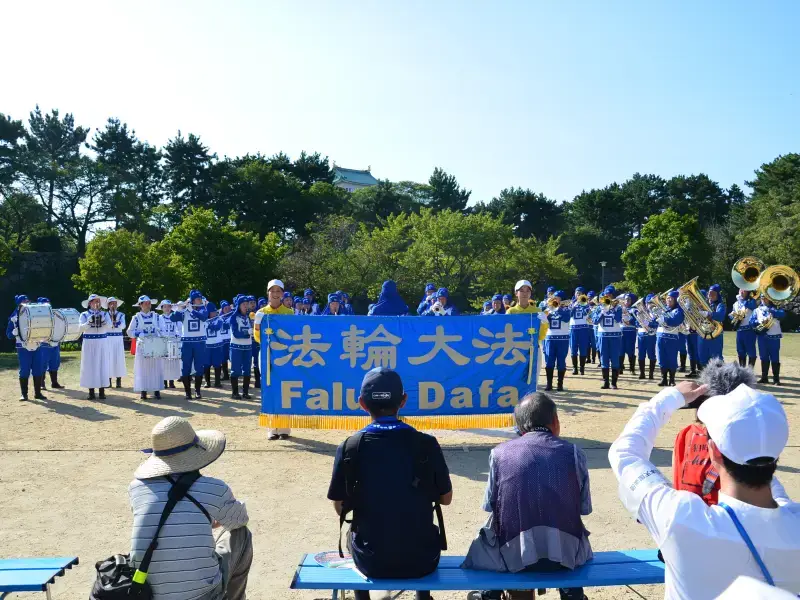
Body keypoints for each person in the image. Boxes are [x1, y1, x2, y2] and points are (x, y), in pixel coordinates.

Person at [609, 380, 800, 598]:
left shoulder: (680, 518)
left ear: (715, 452)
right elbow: (776, 494)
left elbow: (624, 453)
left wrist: (669, 398)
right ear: (778, 452)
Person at [327, 368, 452, 600]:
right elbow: (445, 499)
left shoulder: (350, 447)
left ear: (362, 404)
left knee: (353, 536)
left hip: (371, 560)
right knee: (419, 530)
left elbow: (340, 507)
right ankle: (423, 597)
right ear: (403, 400)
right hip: (422, 559)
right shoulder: (427, 444)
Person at [464, 392, 591, 600]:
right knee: (567, 530)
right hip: (566, 557)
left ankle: (490, 594)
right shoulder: (574, 453)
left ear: (519, 427)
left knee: (491, 530)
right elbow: (584, 508)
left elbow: (490, 505)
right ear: (556, 421)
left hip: (513, 558)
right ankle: (572, 594)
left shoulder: (499, 454)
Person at [130, 416, 252, 600]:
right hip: (202, 595)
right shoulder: (214, 488)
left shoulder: (136, 487)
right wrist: (211, 519)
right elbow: (240, 519)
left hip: (145, 593)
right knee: (241, 534)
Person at [672, 358, 756, 506]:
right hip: (730, 520)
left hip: (688, 516)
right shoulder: (750, 437)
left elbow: (677, 481)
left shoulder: (686, 434)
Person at [253, 280, 295, 440]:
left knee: (285, 389)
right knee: (270, 389)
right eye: (272, 291)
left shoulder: (289, 313)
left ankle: (284, 428)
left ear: (283, 294)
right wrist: (259, 327)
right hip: (267, 354)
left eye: (278, 291)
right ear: (268, 293)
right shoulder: (261, 312)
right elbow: (257, 337)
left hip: (285, 356)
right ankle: (272, 427)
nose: (275, 294)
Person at [170, 290, 208, 400]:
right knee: (185, 367)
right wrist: (181, 308)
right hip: (186, 343)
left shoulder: (203, 310)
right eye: (197, 299)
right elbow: (172, 318)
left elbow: (204, 318)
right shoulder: (184, 312)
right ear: (192, 300)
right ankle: (187, 392)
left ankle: (198, 391)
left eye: (200, 299)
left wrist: (192, 310)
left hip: (200, 342)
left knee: (199, 367)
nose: (200, 301)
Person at [7, 294, 46, 401]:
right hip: (22, 347)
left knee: (38, 369)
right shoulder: (13, 316)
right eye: (24, 301)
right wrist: (13, 332)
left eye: (27, 301)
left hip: (37, 345)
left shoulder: (35, 313)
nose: (26, 303)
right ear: (19, 304)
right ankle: (24, 394)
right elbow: (8, 334)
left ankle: (38, 393)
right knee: (24, 370)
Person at [127, 295, 165, 400]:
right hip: (142, 345)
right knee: (142, 368)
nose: (148, 305)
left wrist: (159, 333)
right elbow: (129, 332)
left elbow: (163, 329)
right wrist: (139, 333)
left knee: (156, 367)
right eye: (146, 303)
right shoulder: (136, 317)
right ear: (140, 305)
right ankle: (143, 391)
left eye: (149, 303)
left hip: (155, 344)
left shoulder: (157, 316)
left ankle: (156, 390)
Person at [79, 293, 112, 400]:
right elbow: (80, 328)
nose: (97, 303)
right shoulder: (84, 314)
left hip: (101, 341)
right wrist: (89, 321)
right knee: (90, 366)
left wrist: (103, 320)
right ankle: (91, 392)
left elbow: (110, 326)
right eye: (94, 301)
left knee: (102, 364)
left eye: (98, 301)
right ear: (90, 303)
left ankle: (102, 391)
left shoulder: (105, 314)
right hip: (89, 342)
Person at [540, 291, 571, 391]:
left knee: (561, 361)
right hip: (550, 338)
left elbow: (566, 319)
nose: (555, 299)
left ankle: (560, 384)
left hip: (562, 338)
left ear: (562, 299)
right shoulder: (549, 309)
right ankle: (549, 384)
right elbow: (541, 318)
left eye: (557, 298)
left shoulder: (566, 309)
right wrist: (546, 307)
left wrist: (558, 308)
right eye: (554, 298)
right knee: (549, 361)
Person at [751, 296, 785, 385]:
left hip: (774, 336)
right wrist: (757, 323)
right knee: (763, 356)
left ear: (769, 298)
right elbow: (752, 321)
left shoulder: (775, 308)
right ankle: (764, 377)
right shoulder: (757, 310)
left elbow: (782, 314)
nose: (763, 299)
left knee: (774, 357)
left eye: (765, 297)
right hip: (762, 336)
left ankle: (776, 379)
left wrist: (771, 311)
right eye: (762, 297)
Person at [656, 290, 685, 387]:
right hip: (660, 336)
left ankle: (672, 379)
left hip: (671, 337)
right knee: (661, 358)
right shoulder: (663, 309)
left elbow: (675, 321)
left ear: (676, 300)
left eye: (670, 298)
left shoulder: (678, 311)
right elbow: (654, 321)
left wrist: (664, 319)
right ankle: (663, 378)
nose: (668, 300)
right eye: (667, 298)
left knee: (672, 358)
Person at [596, 286, 622, 390]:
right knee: (604, 358)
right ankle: (606, 382)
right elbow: (595, 321)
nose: (608, 297)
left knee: (615, 359)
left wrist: (612, 308)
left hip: (615, 335)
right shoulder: (600, 307)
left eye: (610, 295)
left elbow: (618, 319)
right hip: (603, 335)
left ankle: (614, 383)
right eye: (606, 295)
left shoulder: (618, 308)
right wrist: (602, 311)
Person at [228, 295, 254, 401]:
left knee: (247, 370)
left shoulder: (250, 317)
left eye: (247, 304)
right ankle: (235, 393)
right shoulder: (234, 317)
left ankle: (245, 392)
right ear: (238, 306)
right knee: (235, 370)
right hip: (236, 347)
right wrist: (247, 332)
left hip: (248, 347)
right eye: (243, 304)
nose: (246, 306)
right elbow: (236, 333)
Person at [35, 297, 64, 391]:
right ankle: (41, 383)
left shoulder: (55, 315)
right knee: (42, 364)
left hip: (55, 343)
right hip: (43, 344)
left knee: (55, 363)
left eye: (48, 303)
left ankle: (54, 383)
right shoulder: (37, 316)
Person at [698, 284, 726, 368]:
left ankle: (719, 378)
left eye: (713, 293)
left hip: (715, 335)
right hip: (703, 334)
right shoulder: (702, 304)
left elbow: (720, 316)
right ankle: (705, 378)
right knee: (702, 358)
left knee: (717, 358)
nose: (710, 295)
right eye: (709, 293)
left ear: (718, 295)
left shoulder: (720, 305)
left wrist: (708, 314)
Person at [102, 296, 127, 389]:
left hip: (117, 338)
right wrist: (110, 323)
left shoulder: (121, 314)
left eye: (115, 303)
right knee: (108, 359)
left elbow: (123, 326)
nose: (113, 305)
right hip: (108, 338)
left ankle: (118, 380)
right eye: (111, 303)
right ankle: (108, 380)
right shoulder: (104, 315)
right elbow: (104, 326)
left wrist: (116, 323)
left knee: (118, 358)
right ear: (108, 305)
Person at [730, 289, 758, 368]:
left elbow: (753, 306)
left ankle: (750, 371)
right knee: (740, 351)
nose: (742, 292)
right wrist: (732, 316)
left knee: (750, 350)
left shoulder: (751, 301)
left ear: (748, 292)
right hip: (739, 330)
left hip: (749, 330)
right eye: (740, 290)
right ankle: (742, 370)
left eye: (744, 291)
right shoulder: (735, 303)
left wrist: (745, 300)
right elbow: (733, 313)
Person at [157, 300, 181, 389]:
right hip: (163, 342)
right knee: (163, 362)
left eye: (169, 306)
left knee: (172, 361)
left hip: (173, 341)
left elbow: (179, 328)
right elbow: (157, 329)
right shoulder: (159, 318)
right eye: (165, 306)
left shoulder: (175, 317)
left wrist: (178, 336)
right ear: (162, 308)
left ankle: (171, 381)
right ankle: (164, 381)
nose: (167, 308)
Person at [568, 288, 592, 375]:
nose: (578, 295)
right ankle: (575, 368)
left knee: (583, 348)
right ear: (575, 294)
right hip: (573, 328)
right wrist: (574, 305)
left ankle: (582, 368)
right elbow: (569, 315)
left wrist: (583, 305)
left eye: (580, 293)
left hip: (583, 328)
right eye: (577, 293)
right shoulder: (571, 303)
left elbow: (587, 314)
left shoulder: (586, 304)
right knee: (573, 348)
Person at [636, 294, 658, 380]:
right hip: (641, 334)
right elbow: (637, 324)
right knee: (641, 354)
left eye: (651, 303)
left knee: (651, 354)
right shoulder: (641, 312)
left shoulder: (655, 313)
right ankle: (642, 373)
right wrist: (639, 319)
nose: (649, 305)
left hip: (651, 335)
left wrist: (649, 323)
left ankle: (651, 374)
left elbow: (657, 324)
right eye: (648, 303)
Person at [203, 302, 225, 389]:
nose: (215, 313)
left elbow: (217, 327)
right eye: (213, 312)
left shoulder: (219, 319)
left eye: (215, 311)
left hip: (217, 345)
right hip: (207, 346)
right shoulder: (204, 320)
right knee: (206, 364)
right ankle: (207, 382)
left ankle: (217, 382)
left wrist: (208, 324)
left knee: (217, 364)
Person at [619, 293, 639, 375]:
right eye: (625, 299)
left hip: (631, 331)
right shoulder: (620, 309)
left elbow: (636, 319)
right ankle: (620, 368)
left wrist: (629, 321)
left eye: (629, 299)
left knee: (631, 350)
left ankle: (632, 368)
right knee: (621, 350)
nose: (626, 301)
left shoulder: (634, 309)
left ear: (632, 301)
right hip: (621, 331)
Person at [219, 300, 232, 381]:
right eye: (225, 308)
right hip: (222, 341)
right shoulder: (219, 318)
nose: (227, 310)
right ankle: (225, 374)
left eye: (228, 308)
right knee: (223, 359)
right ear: (222, 309)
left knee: (233, 358)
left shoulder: (232, 316)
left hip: (230, 340)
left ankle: (235, 373)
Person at [586, 291, 598, 364]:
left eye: (591, 298)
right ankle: (588, 358)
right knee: (587, 343)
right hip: (586, 326)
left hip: (593, 327)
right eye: (588, 298)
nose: (589, 299)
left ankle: (593, 358)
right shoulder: (586, 306)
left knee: (594, 344)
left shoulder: (596, 307)